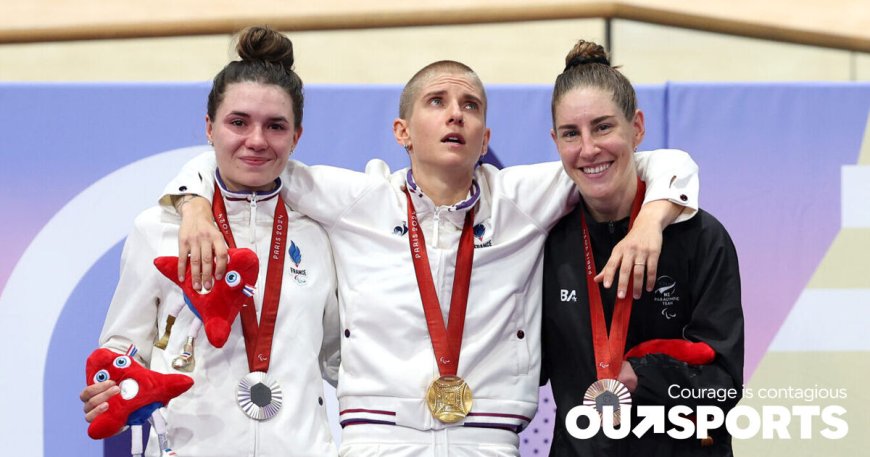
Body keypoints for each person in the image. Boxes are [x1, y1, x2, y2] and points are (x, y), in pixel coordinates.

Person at [162, 59, 699, 456]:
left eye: (470, 106)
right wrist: (193, 208)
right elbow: (251, 160)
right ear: (402, 132)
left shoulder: (521, 200)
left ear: (485, 136)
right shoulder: (359, 200)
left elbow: (654, 159)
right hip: (378, 440)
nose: (455, 116)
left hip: (488, 440)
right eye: (437, 102)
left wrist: (651, 220)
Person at [79, 26, 340, 457]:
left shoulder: (321, 230)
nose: (256, 140)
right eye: (238, 122)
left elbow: (338, 356)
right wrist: (108, 387)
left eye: (275, 126)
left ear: (296, 138)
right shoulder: (158, 228)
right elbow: (122, 345)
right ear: (209, 128)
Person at [541, 40, 743, 456]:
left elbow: (724, 386)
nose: (589, 148)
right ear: (555, 141)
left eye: (602, 126)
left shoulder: (701, 238)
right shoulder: (548, 242)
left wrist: (640, 376)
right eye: (570, 134)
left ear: (637, 127)